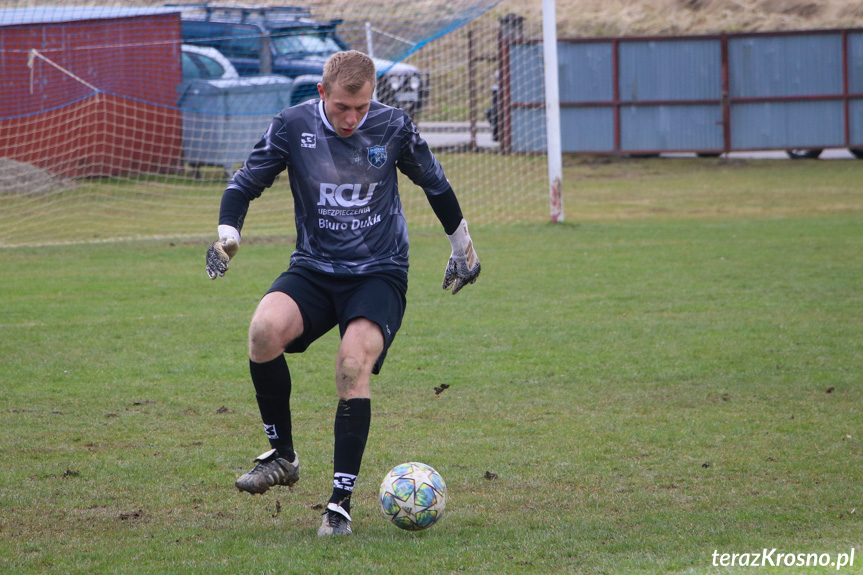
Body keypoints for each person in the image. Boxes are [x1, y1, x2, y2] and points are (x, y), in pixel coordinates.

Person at [204, 50, 480, 537]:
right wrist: (228, 238)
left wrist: (464, 250)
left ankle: (339, 505)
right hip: (313, 268)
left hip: (379, 272)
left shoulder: (393, 126)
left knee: (353, 364)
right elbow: (244, 184)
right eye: (341, 109)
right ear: (321, 94)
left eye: (361, 108)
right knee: (263, 331)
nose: (352, 119)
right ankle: (282, 456)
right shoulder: (292, 125)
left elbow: (435, 185)